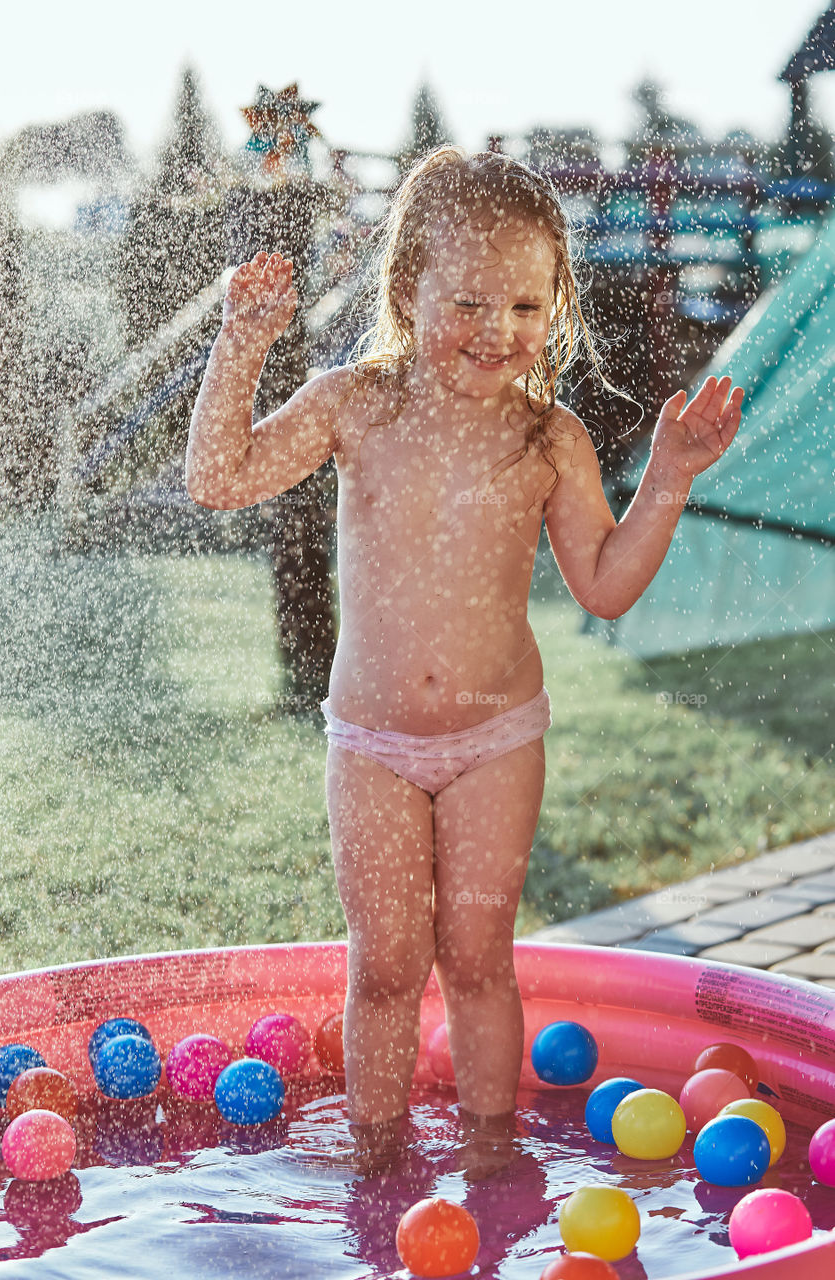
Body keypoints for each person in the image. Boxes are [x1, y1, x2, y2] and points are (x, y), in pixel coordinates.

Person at [186, 145, 744, 1174]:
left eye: (527, 307)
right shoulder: (356, 403)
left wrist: (664, 479)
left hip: (495, 738)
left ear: (555, 305)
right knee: (389, 963)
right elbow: (219, 477)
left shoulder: (549, 435)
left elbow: (606, 585)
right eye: (470, 303)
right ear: (409, 289)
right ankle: (373, 1159)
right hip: (372, 742)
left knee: (481, 958)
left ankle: (492, 1162)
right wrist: (241, 342)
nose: (499, 332)